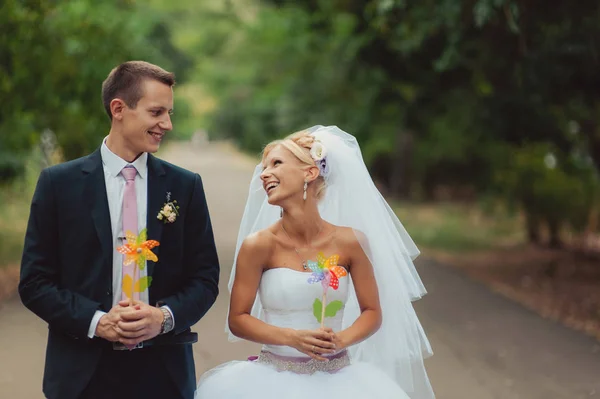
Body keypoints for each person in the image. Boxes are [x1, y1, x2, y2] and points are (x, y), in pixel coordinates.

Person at [19, 61, 220, 399]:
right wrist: (98, 321)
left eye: (169, 113)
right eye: (157, 112)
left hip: (164, 372)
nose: (167, 124)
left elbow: (205, 278)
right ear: (119, 109)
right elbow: (35, 282)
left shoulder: (185, 186)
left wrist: (163, 317)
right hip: (81, 373)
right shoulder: (58, 184)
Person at [195, 126, 435, 398]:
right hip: (272, 381)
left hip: (339, 380)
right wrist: (291, 338)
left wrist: (340, 340)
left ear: (309, 173)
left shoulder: (351, 241)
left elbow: (372, 311)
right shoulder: (258, 245)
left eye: (276, 163)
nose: (264, 174)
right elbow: (238, 319)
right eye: (264, 167)